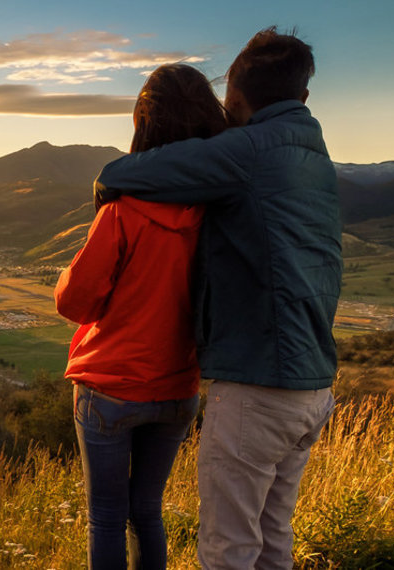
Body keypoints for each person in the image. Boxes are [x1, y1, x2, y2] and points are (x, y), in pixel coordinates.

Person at [93, 27, 339, 569]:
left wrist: (109, 194)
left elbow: (123, 173)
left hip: (259, 383)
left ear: (237, 98)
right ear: (303, 97)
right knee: (274, 537)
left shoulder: (249, 150)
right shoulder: (313, 155)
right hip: (313, 385)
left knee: (228, 546)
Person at [55, 63, 227, 569]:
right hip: (178, 388)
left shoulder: (123, 209)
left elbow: (74, 302)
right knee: (146, 512)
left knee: (106, 517)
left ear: (145, 121)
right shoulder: (218, 212)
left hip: (110, 385)